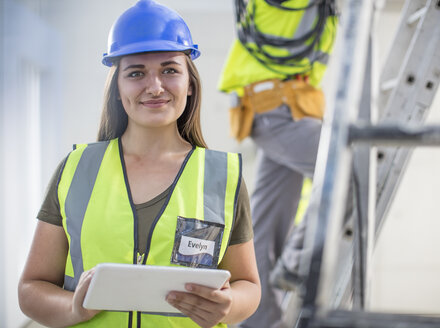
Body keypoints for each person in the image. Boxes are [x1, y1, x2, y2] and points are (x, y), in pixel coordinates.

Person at [17, 1, 261, 327]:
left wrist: (228, 305)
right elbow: (31, 288)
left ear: (190, 83)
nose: (155, 86)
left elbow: (250, 286)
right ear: (118, 88)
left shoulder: (223, 176)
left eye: (169, 69)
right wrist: (73, 308)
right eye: (136, 73)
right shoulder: (76, 170)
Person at [217, 0, 338, 327]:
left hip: (287, 106)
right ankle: (298, 261)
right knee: (342, 171)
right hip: (274, 106)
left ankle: (262, 322)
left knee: (267, 227)